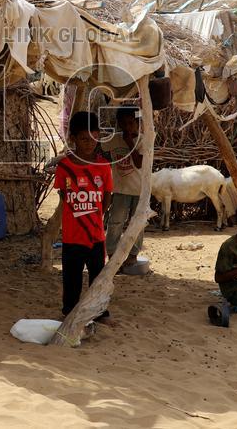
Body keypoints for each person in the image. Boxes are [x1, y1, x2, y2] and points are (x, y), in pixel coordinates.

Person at [53, 111, 113, 317]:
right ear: (73, 139)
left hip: (96, 235)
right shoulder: (64, 167)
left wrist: (95, 216)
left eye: (94, 138)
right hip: (71, 236)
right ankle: (69, 312)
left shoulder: (103, 167)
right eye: (84, 139)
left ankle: (99, 312)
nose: (90, 143)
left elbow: (107, 196)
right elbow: (63, 194)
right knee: (72, 278)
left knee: (98, 276)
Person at [101, 106, 143, 268]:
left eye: (131, 123)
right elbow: (100, 149)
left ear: (138, 123)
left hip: (139, 191)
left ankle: (133, 254)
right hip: (119, 190)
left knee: (137, 224)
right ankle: (111, 253)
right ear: (118, 124)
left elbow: (139, 163)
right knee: (115, 222)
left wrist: (129, 141)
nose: (127, 127)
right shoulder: (114, 139)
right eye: (123, 124)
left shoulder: (143, 140)